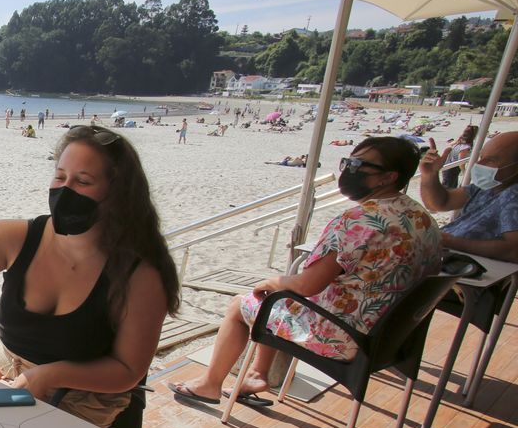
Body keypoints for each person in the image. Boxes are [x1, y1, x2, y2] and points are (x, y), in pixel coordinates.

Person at [0, 125, 179, 428]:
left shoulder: (140, 274)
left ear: (117, 195)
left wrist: (51, 374)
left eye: (83, 181)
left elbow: (127, 370)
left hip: (82, 396)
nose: (66, 190)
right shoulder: (21, 237)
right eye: (60, 176)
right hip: (2, 359)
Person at [170, 136, 441, 406]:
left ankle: (210, 384)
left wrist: (274, 280)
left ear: (388, 177)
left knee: (241, 305)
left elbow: (307, 285)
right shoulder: (422, 218)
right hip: (389, 334)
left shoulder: (358, 221)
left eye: (359, 165)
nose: (349, 169)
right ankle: (256, 374)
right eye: (348, 161)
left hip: (343, 334)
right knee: (276, 300)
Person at [419, 130, 518, 263]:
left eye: (491, 160)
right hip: (446, 255)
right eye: (480, 157)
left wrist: (450, 241)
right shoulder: (488, 186)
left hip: (472, 270)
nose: (479, 164)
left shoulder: (514, 195)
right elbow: (440, 203)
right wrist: (429, 175)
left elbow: (513, 251)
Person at [441, 125, 477, 189]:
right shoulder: (465, 147)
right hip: (452, 168)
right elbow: (461, 163)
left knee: (448, 187)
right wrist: (465, 173)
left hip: (447, 166)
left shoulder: (459, 143)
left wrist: (459, 138)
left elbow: (450, 144)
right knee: (448, 189)